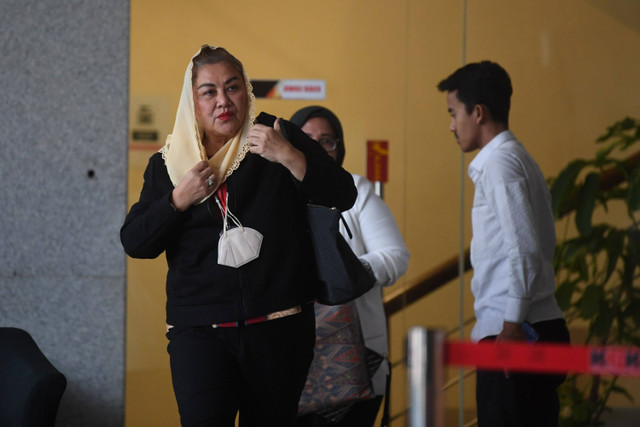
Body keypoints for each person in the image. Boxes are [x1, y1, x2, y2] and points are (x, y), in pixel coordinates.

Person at [120, 45, 357, 427]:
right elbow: (135, 242)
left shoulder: (278, 134)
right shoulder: (168, 163)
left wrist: (289, 157)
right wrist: (178, 200)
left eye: (231, 88)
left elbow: (344, 193)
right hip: (199, 332)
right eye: (208, 92)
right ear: (192, 101)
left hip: (279, 327)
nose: (222, 101)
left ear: (245, 90)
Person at [437, 61, 570, 426]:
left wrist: (511, 327)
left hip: (516, 332)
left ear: (478, 113)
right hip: (529, 327)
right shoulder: (514, 160)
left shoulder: (500, 165)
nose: (451, 124)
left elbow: (524, 249)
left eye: (453, 113)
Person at [290, 106, 410, 427]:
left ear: (339, 148)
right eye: (307, 139)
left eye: (326, 141)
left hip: (355, 365)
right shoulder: (276, 197)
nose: (317, 148)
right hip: (289, 364)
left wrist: (341, 274)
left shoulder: (357, 191)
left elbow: (395, 257)